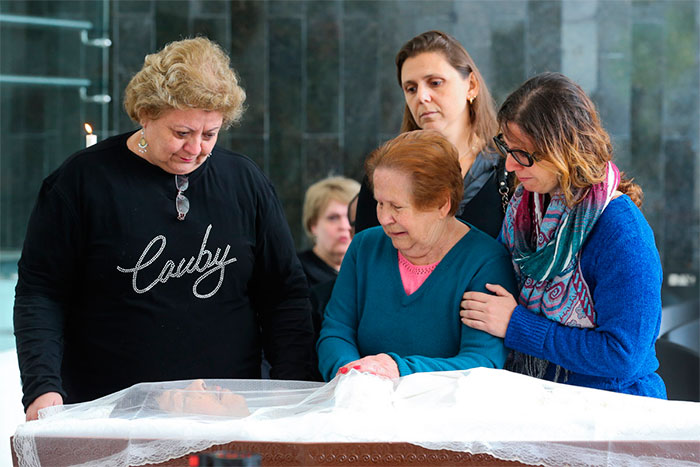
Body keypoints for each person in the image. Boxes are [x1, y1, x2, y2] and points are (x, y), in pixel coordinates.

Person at [14, 37, 315, 420]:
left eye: (210, 134)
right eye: (181, 133)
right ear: (145, 114)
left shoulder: (245, 181)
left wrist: (294, 387)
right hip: (108, 410)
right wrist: (42, 387)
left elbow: (284, 294)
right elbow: (41, 293)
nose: (195, 149)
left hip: (229, 412)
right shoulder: (80, 182)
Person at [460, 72, 666, 399]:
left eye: (523, 154)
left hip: (613, 413)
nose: (510, 166)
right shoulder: (523, 206)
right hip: (540, 402)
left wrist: (517, 326)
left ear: (563, 150)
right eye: (507, 148)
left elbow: (622, 356)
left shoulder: (623, 231)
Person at [317, 130, 517, 381]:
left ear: (442, 204)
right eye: (380, 203)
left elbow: (481, 361)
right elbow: (336, 331)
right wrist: (351, 373)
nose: (384, 218)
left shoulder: (485, 261)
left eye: (397, 207)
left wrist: (397, 371)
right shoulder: (364, 247)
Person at [354, 30, 510, 238]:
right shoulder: (385, 172)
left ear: (471, 86)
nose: (422, 96)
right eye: (411, 88)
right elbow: (367, 258)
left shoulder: (511, 168)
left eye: (435, 83)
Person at [298, 176, 360, 288]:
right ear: (313, 224)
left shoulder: (369, 271)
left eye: (351, 217)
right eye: (333, 218)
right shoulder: (295, 272)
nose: (345, 226)